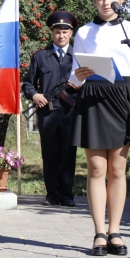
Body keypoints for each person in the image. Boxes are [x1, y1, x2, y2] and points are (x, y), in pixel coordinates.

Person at [69, 0, 130, 256]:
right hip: (93, 97)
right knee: (97, 168)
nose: (105, 2)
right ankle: (99, 233)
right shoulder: (84, 32)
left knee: (117, 169)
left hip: (123, 97)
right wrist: (78, 75)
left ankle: (116, 231)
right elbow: (74, 78)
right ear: (94, 0)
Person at [22, 11, 79, 207]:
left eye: (65, 32)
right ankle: (52, 194)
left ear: (71, 33)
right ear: (51, 33)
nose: (61, 35)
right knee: (50, 154)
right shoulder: (40, 57)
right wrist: (35, 95)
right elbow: (28, 84)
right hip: (47, 114)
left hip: (70, 113)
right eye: (57, 32)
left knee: (68, 154)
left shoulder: (78, 58)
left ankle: (67, 194)